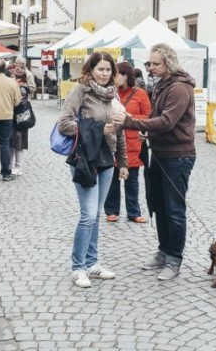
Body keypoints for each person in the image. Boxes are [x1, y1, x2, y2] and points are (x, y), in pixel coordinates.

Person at [115, 43, 196, 281]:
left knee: (174, 209)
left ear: (168, 63)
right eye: (149, 63)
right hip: (159, 153)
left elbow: (167, 122)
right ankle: (163, 252)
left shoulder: (180, 88)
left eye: (155, 63)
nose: (150, 67)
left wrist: (131, 122)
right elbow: (154, 118)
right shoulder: (161, 85)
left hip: (178, 155)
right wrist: (147, 132)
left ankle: (174, 259)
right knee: (158, 205)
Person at [57, 51, 128, 288]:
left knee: (96, 214)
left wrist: (124, 162)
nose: (105, 74)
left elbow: (118, 131)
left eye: (108, 70)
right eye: (101, 69)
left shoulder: (112, 95)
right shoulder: (81, 90)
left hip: (106, 159)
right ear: (91, 70)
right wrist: (98, 128)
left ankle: (92, 263)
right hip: (85, 158)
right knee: (88, 215)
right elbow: (64, 123)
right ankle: (78, 268)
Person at [104, 61, 151, 224]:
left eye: (118, 74)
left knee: (132, 179)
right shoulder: (111, 93)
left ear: (127, 76)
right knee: (112, 178)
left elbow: (148, 116)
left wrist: (130, 118)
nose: (115, 77)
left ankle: (133, 211)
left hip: (132, 141)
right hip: (113, 139)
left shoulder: (140, 94)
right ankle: (111, 210)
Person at [10, 65, 31, 176]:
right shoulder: (18, 87)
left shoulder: (22, 89)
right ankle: (9, 165)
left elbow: (17, 103)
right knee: (12, 143)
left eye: (13, 76)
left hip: (20, 119)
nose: (11, 78)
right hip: (15, 118)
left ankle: (18, 167)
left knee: (19, 143)